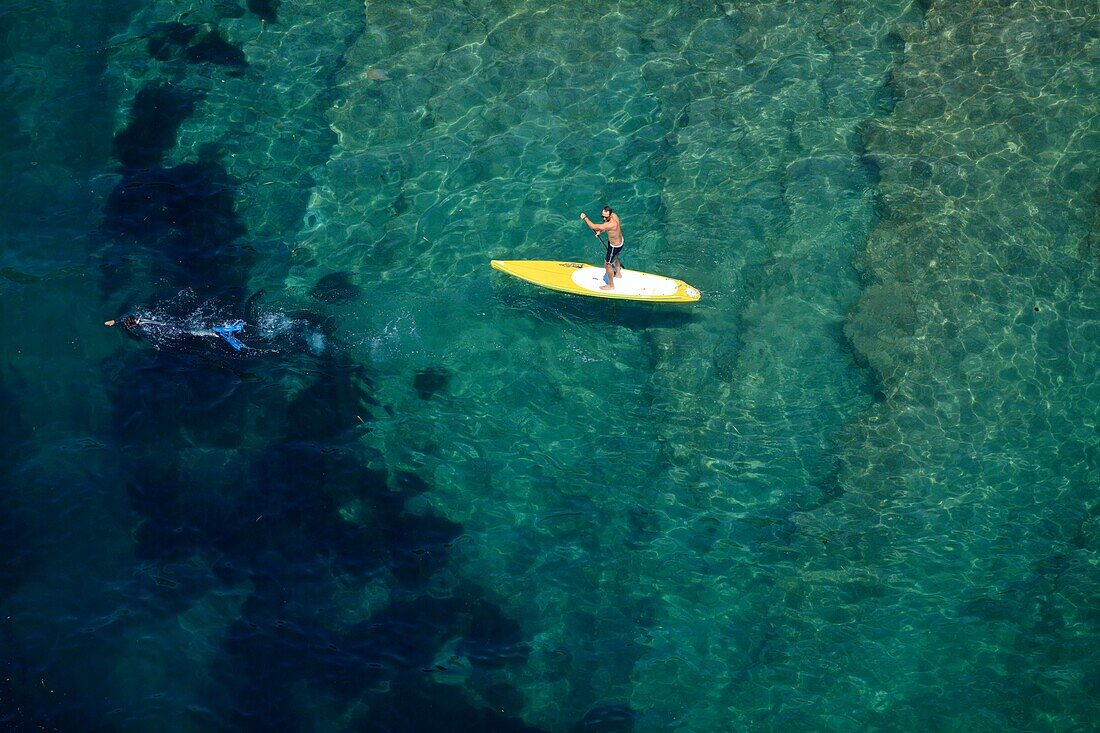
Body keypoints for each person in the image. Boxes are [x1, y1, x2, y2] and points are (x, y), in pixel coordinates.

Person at [580, 205, 624, 290]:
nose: (604, 219)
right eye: (602, 216)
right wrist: (601, 231)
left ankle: (611, 285)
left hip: (614, 246)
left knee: (607, 265)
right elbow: (607, 228)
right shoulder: (614, 216)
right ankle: (618, 273)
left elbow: (593, 226)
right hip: (620, 242)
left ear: (610, 215)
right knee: (615, 256)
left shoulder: (610, 224)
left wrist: (585, 218)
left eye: (606, 217)